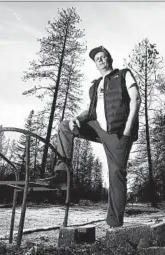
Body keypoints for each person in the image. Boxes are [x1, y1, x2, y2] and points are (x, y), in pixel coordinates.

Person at [53, 46, 141, 228]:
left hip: (118, 132)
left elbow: (136, 99)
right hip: (97, 127)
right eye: (97, 59)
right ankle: (62, 172)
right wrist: (77, 119)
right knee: (65, 126)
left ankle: (115, 223)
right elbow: (91, 111)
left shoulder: (123, 74)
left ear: (109, 59)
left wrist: (127, 133)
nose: (100, 60)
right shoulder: (94, 86)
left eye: (103, 57)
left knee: (116, 173)